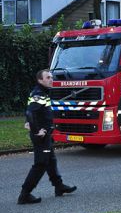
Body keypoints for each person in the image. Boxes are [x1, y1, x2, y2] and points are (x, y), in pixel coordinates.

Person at [18, 69, 77, 204]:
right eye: (48, 77)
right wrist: (38, 130)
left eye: (51, 77)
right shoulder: (38, 93)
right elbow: (30, 113)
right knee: (41, 164)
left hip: (46, 134)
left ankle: (59, 186)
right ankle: (25, 194)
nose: (51, 79)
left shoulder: (44, 92)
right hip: (41, 136)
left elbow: (35, 112)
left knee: (51, 160)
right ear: (40, 80)